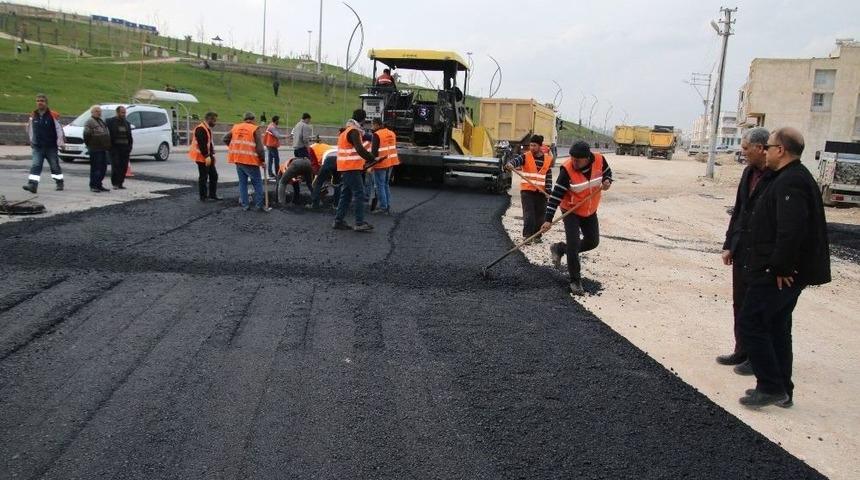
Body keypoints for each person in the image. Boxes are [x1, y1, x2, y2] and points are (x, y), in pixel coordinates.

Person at [737, 127, 831, 409]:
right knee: (777, 326)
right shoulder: (787, 177)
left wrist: (780, 268)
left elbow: (791, 231)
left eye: (769, 146)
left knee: (751, 322)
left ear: (781, 150)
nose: (765, 151)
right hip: (779, 270)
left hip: (776, 273)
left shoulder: (792, 181)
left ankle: (770, 386)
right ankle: (783, 389)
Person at [717, 127, 772, 375]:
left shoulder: (777, 176)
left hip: (762, 253)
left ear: (760, 148)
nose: (743, 152)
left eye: (746, 148)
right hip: (742, 250)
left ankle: (757, 356)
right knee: (740, 302)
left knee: (758, 307)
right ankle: (741, 350)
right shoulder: (748, 172)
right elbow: (739, 212)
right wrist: (729, 244)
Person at [539, 141, 612, 296]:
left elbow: (608, 173)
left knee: (593, 242)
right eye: (572, 158)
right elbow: (556, 196)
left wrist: (607, 181)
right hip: (570, 210)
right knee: (574, 245)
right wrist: (548, 219)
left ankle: (559, 248)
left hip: (589, 210)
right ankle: (575, 280)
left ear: (587, 158)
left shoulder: (599, 160)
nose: (574, 162)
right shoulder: (567, 170)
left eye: (577, 160)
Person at [333, 109, 376, 231]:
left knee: (346, 195)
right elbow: (360, 149)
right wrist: (371, 158)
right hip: (351, 167)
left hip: (346, 167)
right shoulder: (354, 131)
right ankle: (359, 222)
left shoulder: (347, 131)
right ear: (363, 120)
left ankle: (338, 221)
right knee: (359, 193)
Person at [506, 134, 553, 240]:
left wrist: (549, 191)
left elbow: (548, 176)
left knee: (540, 216)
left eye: (534, 145)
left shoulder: (547, 159)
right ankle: (527, 236)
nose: (532, 147)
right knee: (529, 214)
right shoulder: (525, 156)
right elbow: (516, 161)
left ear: (540, 146)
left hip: (541, 192)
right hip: (527, 191)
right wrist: (510, 164)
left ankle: (537, 236)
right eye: (531, 145)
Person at [223, 112, 268, 212]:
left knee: (242, 183)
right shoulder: (254, 129)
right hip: (250, 161)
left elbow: (225, 138)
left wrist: (235, 147)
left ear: (244, 119)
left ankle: (245, 205)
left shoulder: (236, 127)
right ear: (253, 119)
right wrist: (262, 160)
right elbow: (260, 148)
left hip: (238, 159)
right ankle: (259, 205)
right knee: (257, 183)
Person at [23, 94, 65, 193]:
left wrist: (61, 142)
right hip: (38, 146)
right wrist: (32, 141)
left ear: (46, 103)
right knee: (36, 165)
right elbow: (31, 129)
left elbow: (59, 129)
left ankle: (59, 181)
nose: (39, 102)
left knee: (54, 166)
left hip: (51, 146)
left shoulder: (53, 115)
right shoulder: (33, 115)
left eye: (42, 100)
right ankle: (32, 185)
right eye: (37, 101)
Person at [369, 118, 400, 214]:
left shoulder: (377, 135)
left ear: (377, 125)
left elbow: (374, 152)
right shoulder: (391, 133)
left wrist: (370, 166)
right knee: (385, 184)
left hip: (381, 163)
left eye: (372, 125)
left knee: (379, 185)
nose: (372, 127)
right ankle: (387, 205)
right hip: (390, 162)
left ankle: (383, 207)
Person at [188, 111, 220, 201]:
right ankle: (203, 197)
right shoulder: (201, 129)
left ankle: (212, 195)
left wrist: (211, 153)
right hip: (202, 157)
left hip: (206, 156)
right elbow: (202, 144)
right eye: (214, 120)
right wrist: (207, 156)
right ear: (209, 119)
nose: (215, 123)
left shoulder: (207, 128)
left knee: (213, 175)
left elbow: (208, 142)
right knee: (203, 177)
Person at [83, 105, 111, 193]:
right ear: (92, 112)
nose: (99, 113)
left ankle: (99, 184)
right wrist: (90, 145)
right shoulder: (90, 122)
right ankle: (93, 185)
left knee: (103, 168)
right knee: (96, 168)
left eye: (99, 111)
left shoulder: (101, 121)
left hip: (103, 148)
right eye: (96, 111)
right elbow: (86, 135)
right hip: (95, 148)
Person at [309, 138, 342, 210]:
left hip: (329, 159)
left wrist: (317, 174)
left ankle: (315, 205)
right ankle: (336, 205)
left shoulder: (311, 148)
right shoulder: (325, 146)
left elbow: (314, 164)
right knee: (337, 184)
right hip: (339, 159)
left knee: (318, 183)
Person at [105, 105, 133, 190]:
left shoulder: (127, 123)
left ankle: (120, 183)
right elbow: (106, 134)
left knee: (124, 166)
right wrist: (109, 146)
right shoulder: (110, 122)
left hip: (125, 148)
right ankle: (115, 183)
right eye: (122, 112)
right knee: (116, 165)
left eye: (124, 112)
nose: (124, 114)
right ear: (117, 112)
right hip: (115, 148)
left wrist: (129, 147)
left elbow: (129, 136)